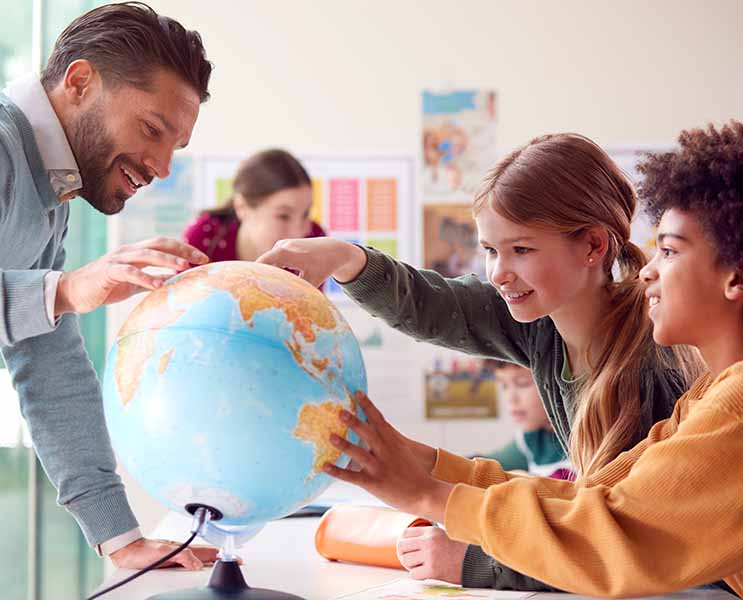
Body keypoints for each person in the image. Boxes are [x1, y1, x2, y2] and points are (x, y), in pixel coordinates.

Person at [324, 118, 743, 598]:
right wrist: (425, 464)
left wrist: (431, 496)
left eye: (670, 252)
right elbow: (593, 501)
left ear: (741, 277)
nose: (648, 271)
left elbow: (612, 537)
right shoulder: (717, 393)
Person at [258, 132, 704, 589]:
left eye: (521, 250)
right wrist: (343, 256)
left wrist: (481, 563)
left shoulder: (656, 362)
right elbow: (432, 305)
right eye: (491, 250)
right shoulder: (540, 323)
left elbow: (628, 542)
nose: (499, 273)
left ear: (593, 246)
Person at [0, 3, 218, 569]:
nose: (163, 167)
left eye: (175, 147)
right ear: (80, 82)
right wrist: (65, 290)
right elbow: (51, 307)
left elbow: (49, 361)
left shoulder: (51, 191)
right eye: (152, 130)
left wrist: (120, 537)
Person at [184, 149, 325, 263]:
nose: (298, 234)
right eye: (283, 216)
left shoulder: (314, 241)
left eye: (306, 214)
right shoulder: (204, 237)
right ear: (242, 207)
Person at [479, 359, 572, 479]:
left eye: (522, 384)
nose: (511, 399)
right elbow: (486, 463)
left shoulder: (586, 438)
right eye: (504, 385)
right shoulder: (531, 438)